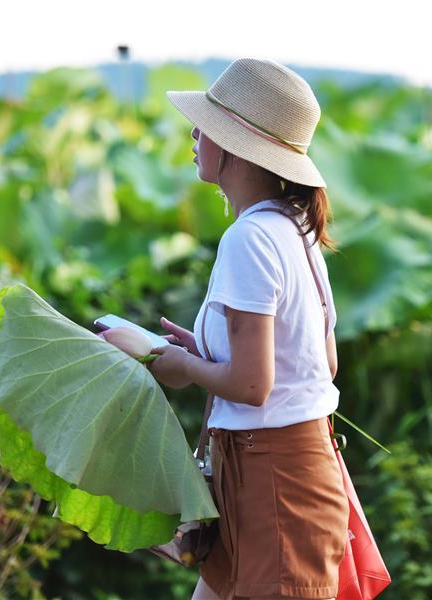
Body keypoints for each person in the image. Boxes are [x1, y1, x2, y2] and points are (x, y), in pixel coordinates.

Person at [148, 58, 348, 600]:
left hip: (274, 483)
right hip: (275, 472)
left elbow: (256, 387)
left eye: (205, 125)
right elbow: (320, 363)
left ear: (233, 145)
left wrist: (186, 368)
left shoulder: (250, 238)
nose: (194, 134)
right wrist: (209, 349)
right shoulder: (296, 231)